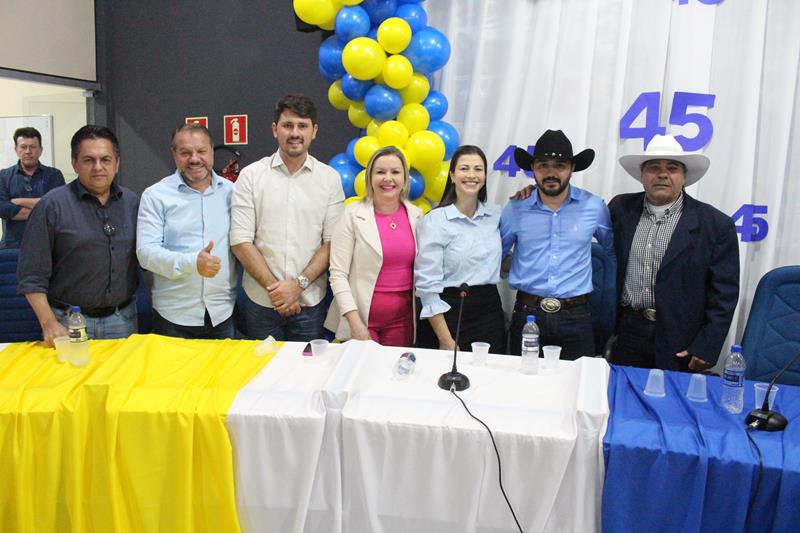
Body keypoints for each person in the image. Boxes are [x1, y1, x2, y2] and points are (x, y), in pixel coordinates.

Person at [610, 134, 739, 371]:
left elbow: (724, 295)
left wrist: (707, 346)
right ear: (642, 176)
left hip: (681, 340)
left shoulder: (715, 225)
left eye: (672, 168)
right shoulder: (620, 209)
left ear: (684, 177)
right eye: (653, 167)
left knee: (672, 404)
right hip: (627, 334)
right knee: (622, 402)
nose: (662, 174)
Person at [230, 94, 344, 341]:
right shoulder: (251, 176)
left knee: (307, 375)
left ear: (314, 131)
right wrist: (278, 292)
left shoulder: (329, 179)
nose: (295, 133)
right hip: (261, 301)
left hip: (310, 303)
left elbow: (332, 243)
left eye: (302, 126)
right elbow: (241, 241)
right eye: (287, 125)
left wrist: (297, 286)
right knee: (262, 374)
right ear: (275, 129)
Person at [17, 125, 139, 344]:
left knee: (123, 378)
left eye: (106, 159)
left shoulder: (132, 203)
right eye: (88, 160)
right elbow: (31, 276)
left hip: (123, 321)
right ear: (74, 163)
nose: (98, 167)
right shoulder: (51, 206)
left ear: (117, 163)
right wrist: (48, 323)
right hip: (69, 322)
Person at [501, 129, 614, 360]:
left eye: (560, 165)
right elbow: (497, 255)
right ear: (533, 169)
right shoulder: (515, 209)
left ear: (572, 169)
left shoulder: (594, 207)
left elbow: (611, 250)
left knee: (577, 386)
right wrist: (519, 264)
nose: (551, 173)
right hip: (527, 314)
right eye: (543, 165)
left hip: (577, 316)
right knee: (523, 385)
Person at [137, 123, 235, 339]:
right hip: (174, 317)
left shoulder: (232, 192)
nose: (194, 159)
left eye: (201, 151)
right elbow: (146, 254)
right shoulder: (156, 196)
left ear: (211, 152)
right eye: (185, 153)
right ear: (174, 154)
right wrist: (193, 263)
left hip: (222, 313)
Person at [325, 146, 422, 345]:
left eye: (395, 172)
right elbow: (338, 274)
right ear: (370, 178)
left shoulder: (416, 216)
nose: (388, 178)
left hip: (402, 323)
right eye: (380, 172)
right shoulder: (351, 215)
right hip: (361, 322)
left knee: (395, 375)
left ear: (404, 178)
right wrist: (355, 324)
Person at [415, 145, 505, 352]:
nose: (471, 175)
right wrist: (445, 339)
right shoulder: (434, 221)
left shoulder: (495, 215)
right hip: (448, 314)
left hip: (490, 312)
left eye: (478, 169)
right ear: (452, 175)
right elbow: (427, 286)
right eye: (464, 169)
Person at [0, 127, 65, 248]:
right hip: (12, 246)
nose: (28, 151)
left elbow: (59, 205)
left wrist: (18, 201)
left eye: (33, 147)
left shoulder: (54, 175)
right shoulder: (3, 176)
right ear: (16, 149)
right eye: (23, 147)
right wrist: (44, 212)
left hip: (46, 246)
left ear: (40, 150)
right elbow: (2, 208)